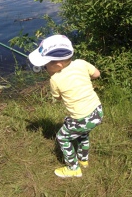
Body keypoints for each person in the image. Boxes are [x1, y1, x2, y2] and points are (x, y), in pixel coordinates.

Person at [28, 34, 103, 178]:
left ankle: (73, 168)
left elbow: (57, 97)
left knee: (62, 137)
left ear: (58, 65)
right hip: (97, 111)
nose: (44, 68)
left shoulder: (55, 79)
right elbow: (97, 74)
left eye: (45, 65)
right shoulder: (81, 63)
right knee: (83, 133)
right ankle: (83, 160)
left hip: (81, 117)